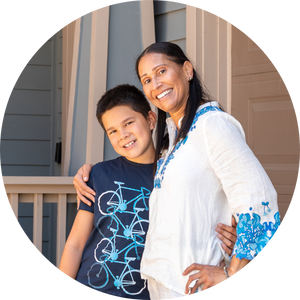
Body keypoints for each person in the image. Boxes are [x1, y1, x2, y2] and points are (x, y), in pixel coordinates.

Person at [74, 42, 283, 299]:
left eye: (162, 71)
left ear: (187, 70)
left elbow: (259, 198)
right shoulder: (172, 141)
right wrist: (90, 172)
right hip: (161, 284)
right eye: (147, 79)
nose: (155, 84)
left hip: (193, 285)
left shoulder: (212, 125)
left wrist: (233, 271)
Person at [59, 83, 237, 299]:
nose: (122, 135)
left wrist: (234, 245)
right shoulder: (98, 174)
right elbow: (76, 244)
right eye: (112, 131)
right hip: (91, 284)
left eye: (129, 123)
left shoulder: (174, 174)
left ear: (151, 120)